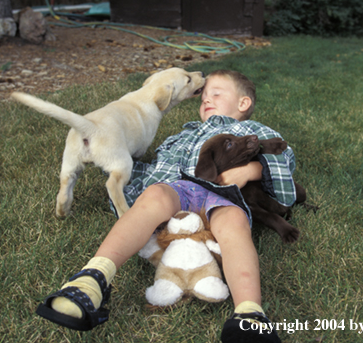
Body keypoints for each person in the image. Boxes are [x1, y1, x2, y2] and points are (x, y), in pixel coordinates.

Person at [36, 70, 298, 342]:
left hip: (225, 194)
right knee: (153, 197)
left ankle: (249, 313)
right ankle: (91, 280)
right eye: (203, 97)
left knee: (234, 222)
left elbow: (284, 157)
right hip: (177, 187)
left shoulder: (253, 130)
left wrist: (252, 169)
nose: (206, 99)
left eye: (216, 94)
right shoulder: (183, 134)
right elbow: (153, 167)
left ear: (243, 104)